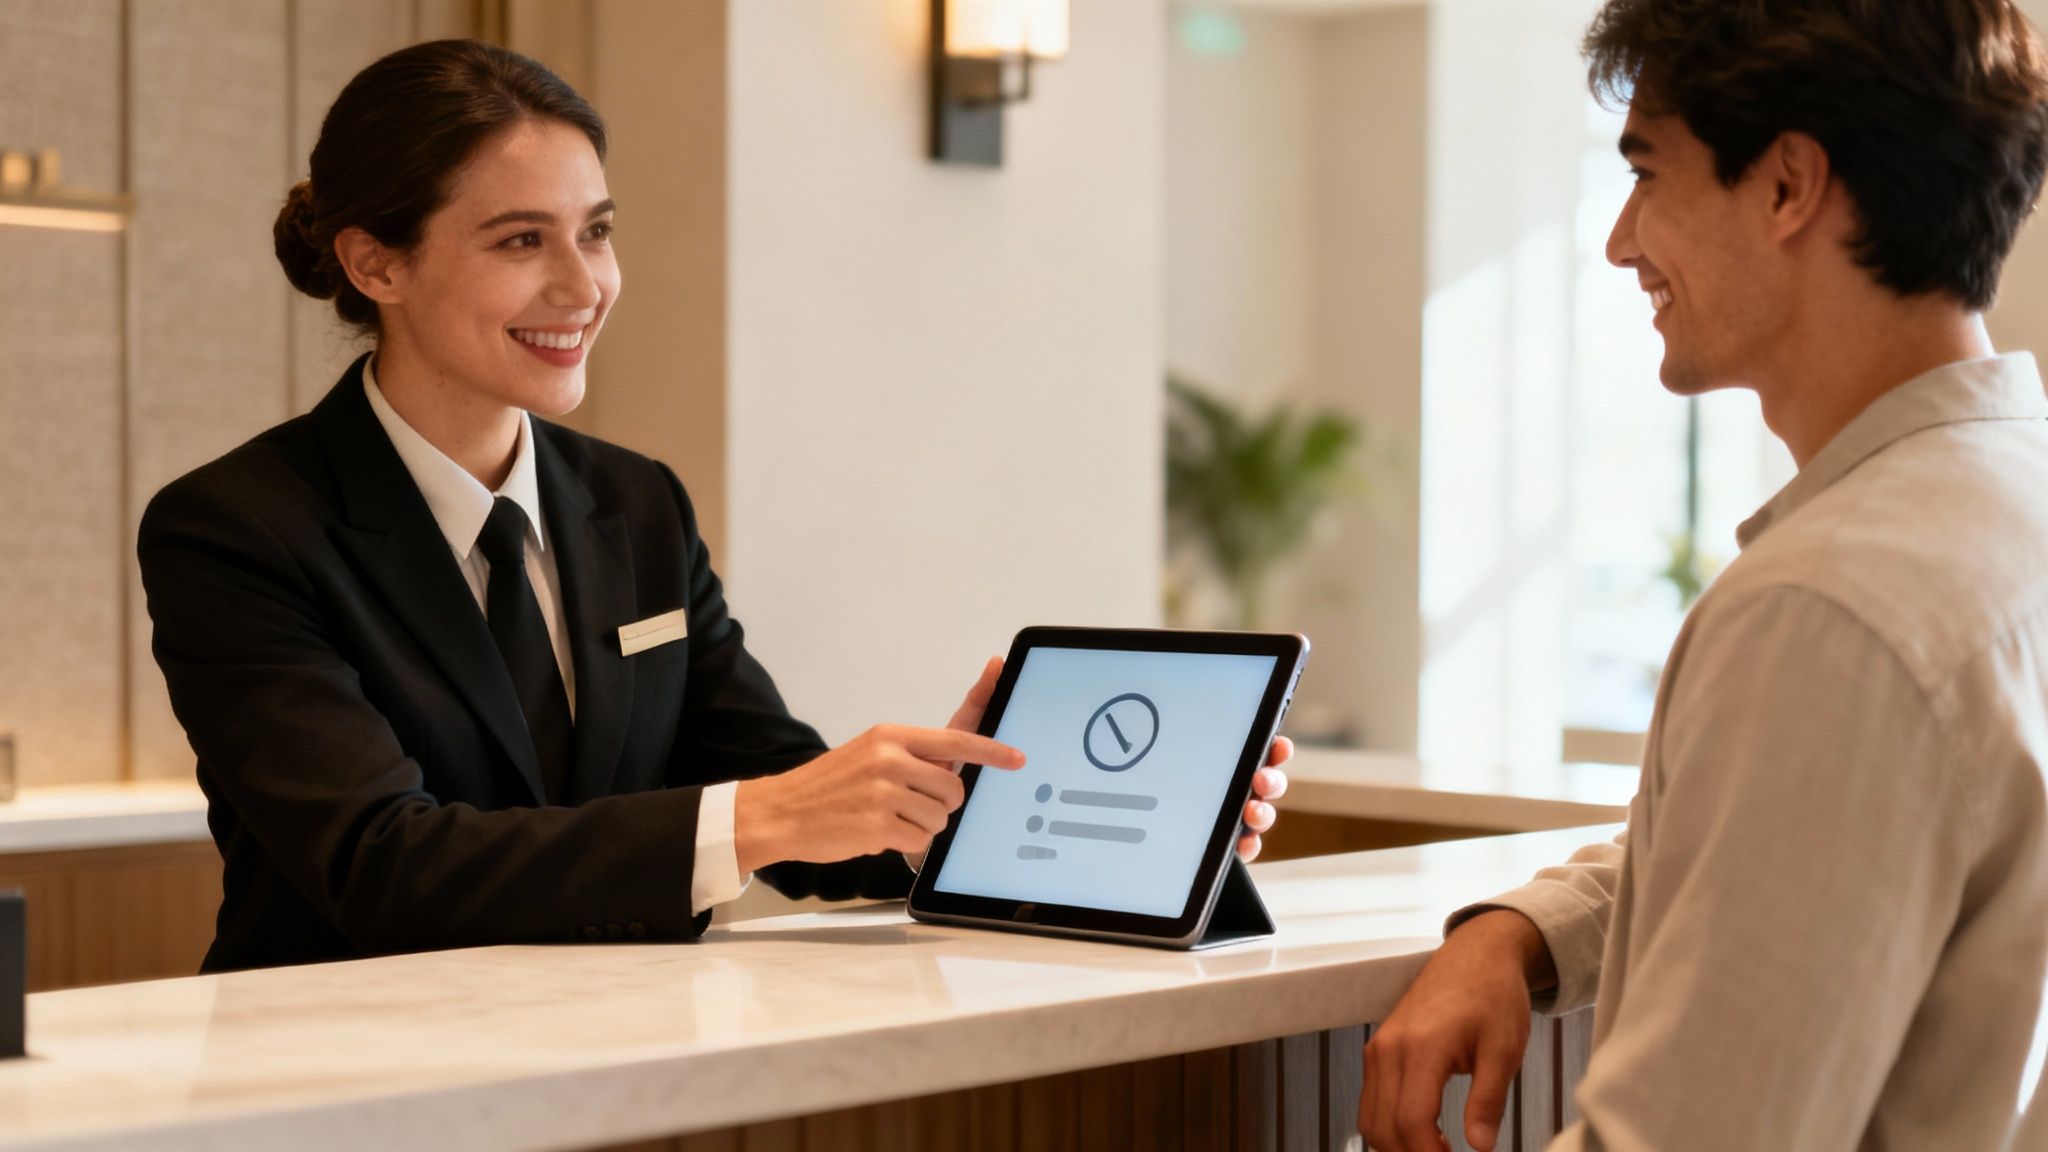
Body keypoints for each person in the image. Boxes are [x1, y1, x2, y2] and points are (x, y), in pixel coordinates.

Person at [137, 39, 1290, 974]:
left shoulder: (633, 504)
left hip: (639, 1066)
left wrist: (1027, 808)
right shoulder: (238, 529)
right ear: (376, 265)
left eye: (595, 230)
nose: (583, 286)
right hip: (334, 1084)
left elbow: (779, 787)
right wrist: (765, 819)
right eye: (520, 241)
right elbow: (382, 867)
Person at [1358, 1, 2048, 1149]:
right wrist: (1520, 932)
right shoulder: (2002, 502)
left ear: (1785, 185)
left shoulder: (1831, 608)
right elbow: (1796, 839)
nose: (1619, 240)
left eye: (1644, 173)